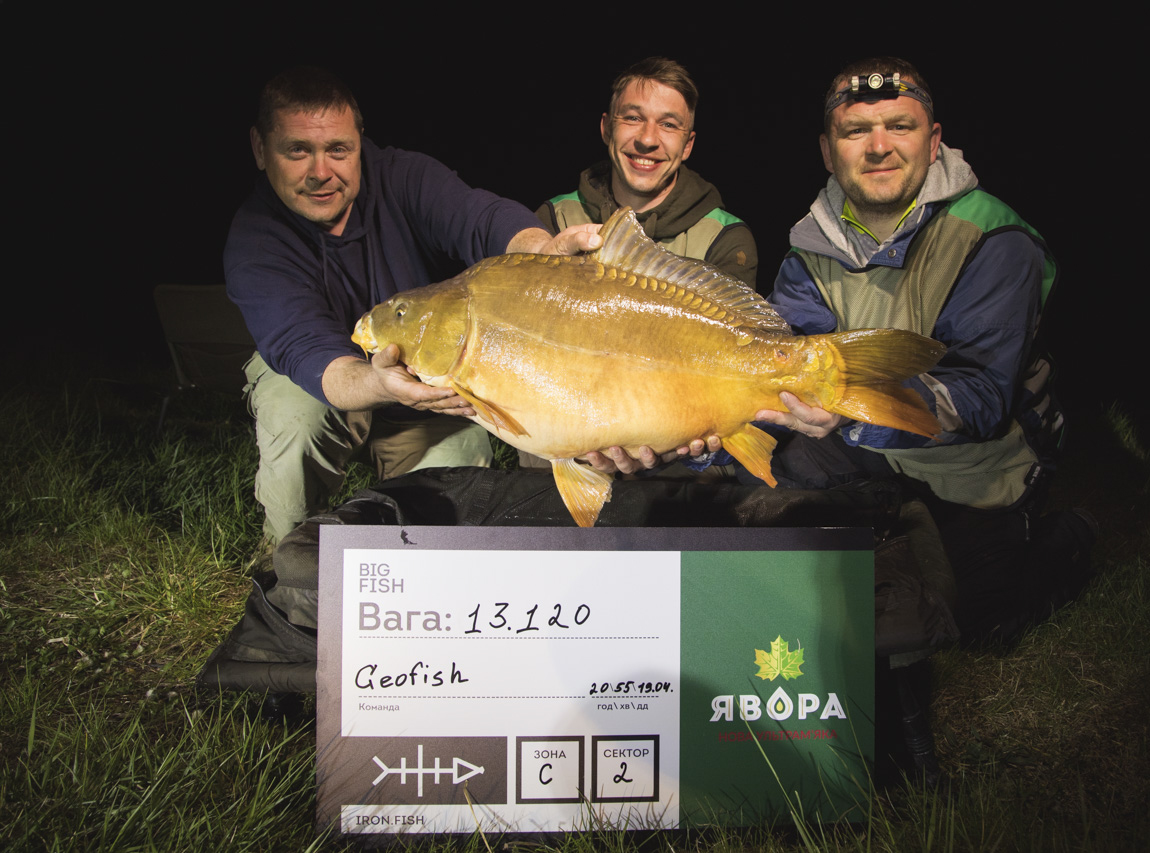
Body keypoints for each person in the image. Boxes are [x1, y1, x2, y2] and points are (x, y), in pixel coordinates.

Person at [759, 57, 1094, 642]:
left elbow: (982, 399)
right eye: (856, 130)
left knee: (977, 622)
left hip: (975, 467)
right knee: (755, 497)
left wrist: (846, 407)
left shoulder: (993, 237)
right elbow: (783, 363)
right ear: (828, 151)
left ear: (934, 141)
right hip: (863, 446)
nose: (878, 146)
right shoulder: (807, 250)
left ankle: (1067, 535)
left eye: (900, 126)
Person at [225, 67, 599, 545]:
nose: (321, 172)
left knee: (451, 507)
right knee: (297, 415)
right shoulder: (256, 241)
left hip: (424, 385)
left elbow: (481, 218)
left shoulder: (403, 177)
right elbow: (311, 356)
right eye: (298, 150)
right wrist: (379, 382)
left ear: (360, 142)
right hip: (325, 383)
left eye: (338, 149)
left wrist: (541, 251)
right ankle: (289, 556)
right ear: (260, 148)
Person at [535, 56, 758, 288]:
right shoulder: (555, 217)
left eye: (668, 124)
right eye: (633, 118)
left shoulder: (724, 238)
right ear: (607, 129)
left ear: (687, 145)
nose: (647, 139)